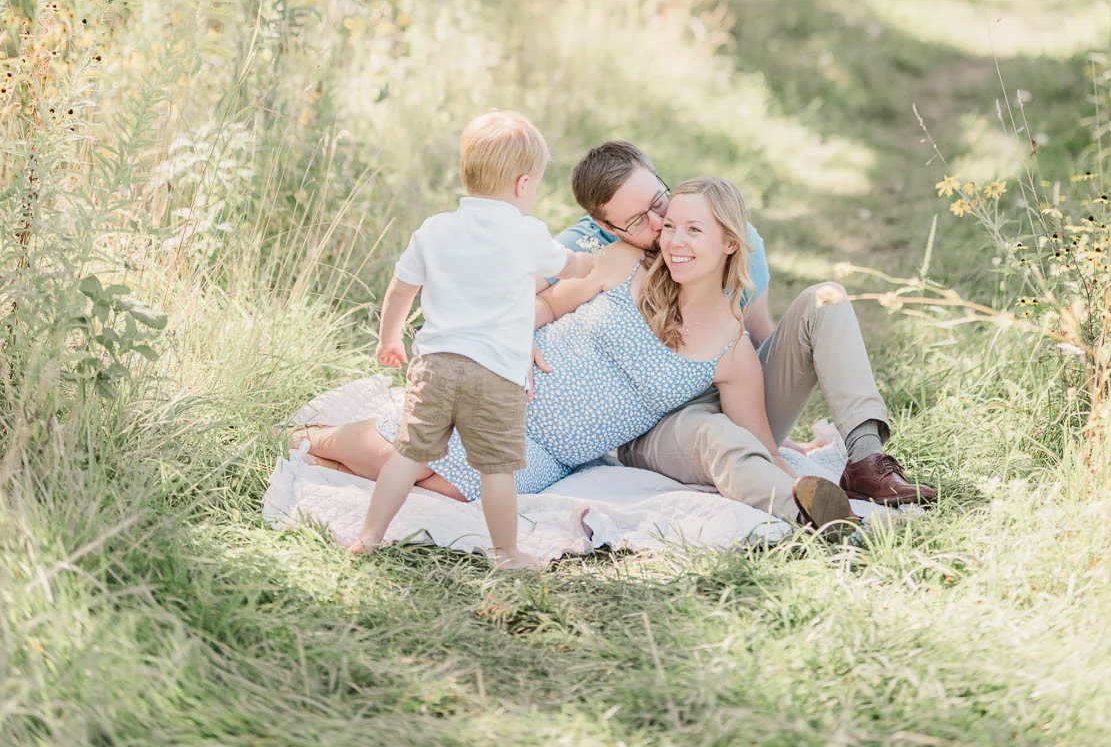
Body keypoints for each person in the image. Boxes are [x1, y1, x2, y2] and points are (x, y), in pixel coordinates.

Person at [294, 177, 858, 534]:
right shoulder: (624, 265)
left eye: (694, 230)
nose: (674, 241)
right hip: (516, 385)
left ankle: (820, 517)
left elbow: (759, 440)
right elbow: (546, 304)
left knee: (449, 485)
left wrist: (791, 472)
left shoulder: (733, 354)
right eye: (671, 228)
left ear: (730, 242)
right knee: (410, 455)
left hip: (555, 449)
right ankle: (316, 439)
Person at [559, 141, 936, 509]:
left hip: (733, 382)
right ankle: (802, 508)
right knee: (713, 432)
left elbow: (760, 334)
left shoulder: (729, 232)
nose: (660, 226)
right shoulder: (590, 247)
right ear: (605, 224)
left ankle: (867, 461)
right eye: (639, 220)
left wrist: (765, 427)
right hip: (663, 421)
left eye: (659, 203)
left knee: (827, 298)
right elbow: (523, 289)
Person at [347, 109, 594, 567]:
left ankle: (369, 534)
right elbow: (566, 266)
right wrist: (587, 263)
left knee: (407, 453)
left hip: (435, 366)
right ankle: (506, 552)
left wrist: (391, 338)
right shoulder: (526, 232)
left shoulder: (435, 229)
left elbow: (401, 289)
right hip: (496, 376)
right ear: (522, 185)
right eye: (535, 185)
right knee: (497, 470)